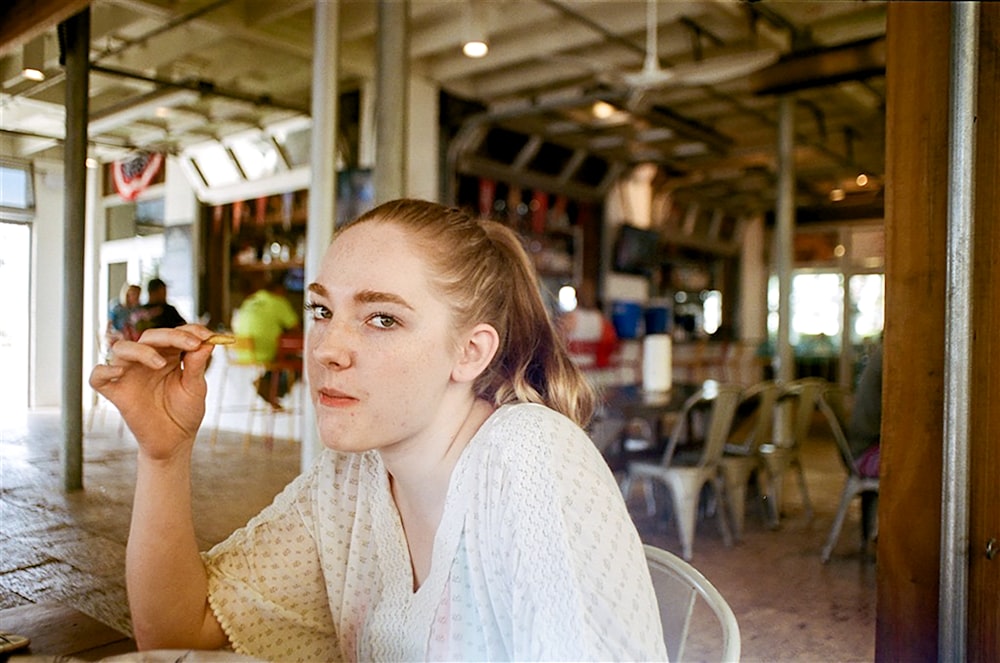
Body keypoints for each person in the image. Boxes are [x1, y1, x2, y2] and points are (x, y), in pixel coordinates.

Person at [89, 199, 666, 661]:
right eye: (322, 311)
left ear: (469, 352)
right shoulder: (350, 481)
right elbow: (179, 632)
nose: (329, 349)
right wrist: (163, 455)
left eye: (382, 318)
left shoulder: (529, 460)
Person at [232, 274, 301, 408]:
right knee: (298, 362)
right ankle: (272, 388)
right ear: (279, 289)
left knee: (282, 359)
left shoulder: (250, 300)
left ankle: (267, 385)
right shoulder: (277, 301)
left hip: (240, 353)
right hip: (263, 352)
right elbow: (296, 327)